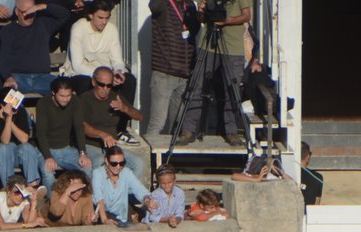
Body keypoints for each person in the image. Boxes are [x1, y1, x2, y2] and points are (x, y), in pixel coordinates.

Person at [176, 0, 250, 146]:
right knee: (196, 86)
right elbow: (201, 19)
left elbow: (247, 16)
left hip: (233, 47)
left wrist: (227, 21)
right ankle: (188, 130)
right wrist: (202, 11)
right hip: (208, 44)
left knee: (232, 90)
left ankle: (232, 132)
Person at [63, 2, 136, 144]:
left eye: (107, 18)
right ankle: (88, 127)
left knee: (129, 80)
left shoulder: (111, 29)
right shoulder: (78, 27)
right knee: (85, 83)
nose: (104, 22)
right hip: (81, 73)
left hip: (106, 71)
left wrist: (118, 72)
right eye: (100, 18)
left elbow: (117, 60)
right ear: (91, 15)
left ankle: (120, 129)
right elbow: (78, 65)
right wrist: (105, 77)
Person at [77, 67, 146, 176]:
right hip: (90, 145)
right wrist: (101, 134)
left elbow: (140, 117)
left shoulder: (115, 97)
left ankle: (125, 192)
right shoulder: (84, 99)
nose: (105, 88)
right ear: (94, 82)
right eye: (101, 84)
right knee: (100, 162)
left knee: (138, 163)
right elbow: (81, 126)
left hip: (112, 147)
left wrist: (125, 108)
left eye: (109, 85)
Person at [0, 0, 72, 96]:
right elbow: (2, 57)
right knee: (9, 96)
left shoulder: (43, 25)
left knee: (64, 91)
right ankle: (21, 112)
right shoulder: (7, 31)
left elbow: (64, 15)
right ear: (16, 12)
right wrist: (8, 77)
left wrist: (42, 7)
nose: (29, 15)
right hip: (18, 78)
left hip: (43, 78)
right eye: (25, 12)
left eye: (31, 11)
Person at [147, 0, 197, 136]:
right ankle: (150, 157)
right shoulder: (163, 4)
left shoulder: (190, 4)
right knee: (157, 123)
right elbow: (154, 6)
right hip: (164, 72)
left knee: (178, 124)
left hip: (185, 74)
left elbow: (195, 29)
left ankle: (173, 157)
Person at [0, 86, 43, 188]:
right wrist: (8, 118)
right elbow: (5, 141)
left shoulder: (21, 112)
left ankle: (32, 185)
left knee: (27, 147)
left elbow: (24, 139)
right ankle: (10, 187)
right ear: (2, 105)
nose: (14, 108)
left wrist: (9, 120)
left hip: (13, 150)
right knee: (5, 148)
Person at [33, 76, 86, 184]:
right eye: (62, 96)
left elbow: (79, 127)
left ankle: (86, 200)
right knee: (47, 172)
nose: (65, 99)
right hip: (46, 149)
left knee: (87, 167)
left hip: (66, 148)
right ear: (53, 92)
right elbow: (41, 133)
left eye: (68, 95)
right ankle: (52, 200)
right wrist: (48, 156)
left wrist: (82, 153)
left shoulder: (75, 101)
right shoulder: (43, 103)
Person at [92, 146, 153, 224]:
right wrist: (105, 220)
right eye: (114, 163)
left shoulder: (126, 172)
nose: (118, 167)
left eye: (122, 163)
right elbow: (99, 198)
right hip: (102, 214)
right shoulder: (98, 173)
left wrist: (147, 200)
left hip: (121, 216)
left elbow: (139, 189)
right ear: (106, 161)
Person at [299, 141, 323, 207]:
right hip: (307, 215)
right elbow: (316, 205)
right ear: (308, 156)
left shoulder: (285, 173)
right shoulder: (317, 177)